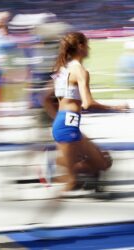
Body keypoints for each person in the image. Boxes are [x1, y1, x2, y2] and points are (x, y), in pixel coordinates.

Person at [46, 32, 128, 192]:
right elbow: (88, 103)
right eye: (87, 44)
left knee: (104, 161)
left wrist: (59, 118)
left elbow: (45, 99)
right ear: (81, 47)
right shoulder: (81, 71)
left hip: (64, 124)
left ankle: (62, 167)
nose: (89, 48)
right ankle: (58, 170)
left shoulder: (61, 69)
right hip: (68, 126)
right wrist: (115, 108)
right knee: (82, 176)